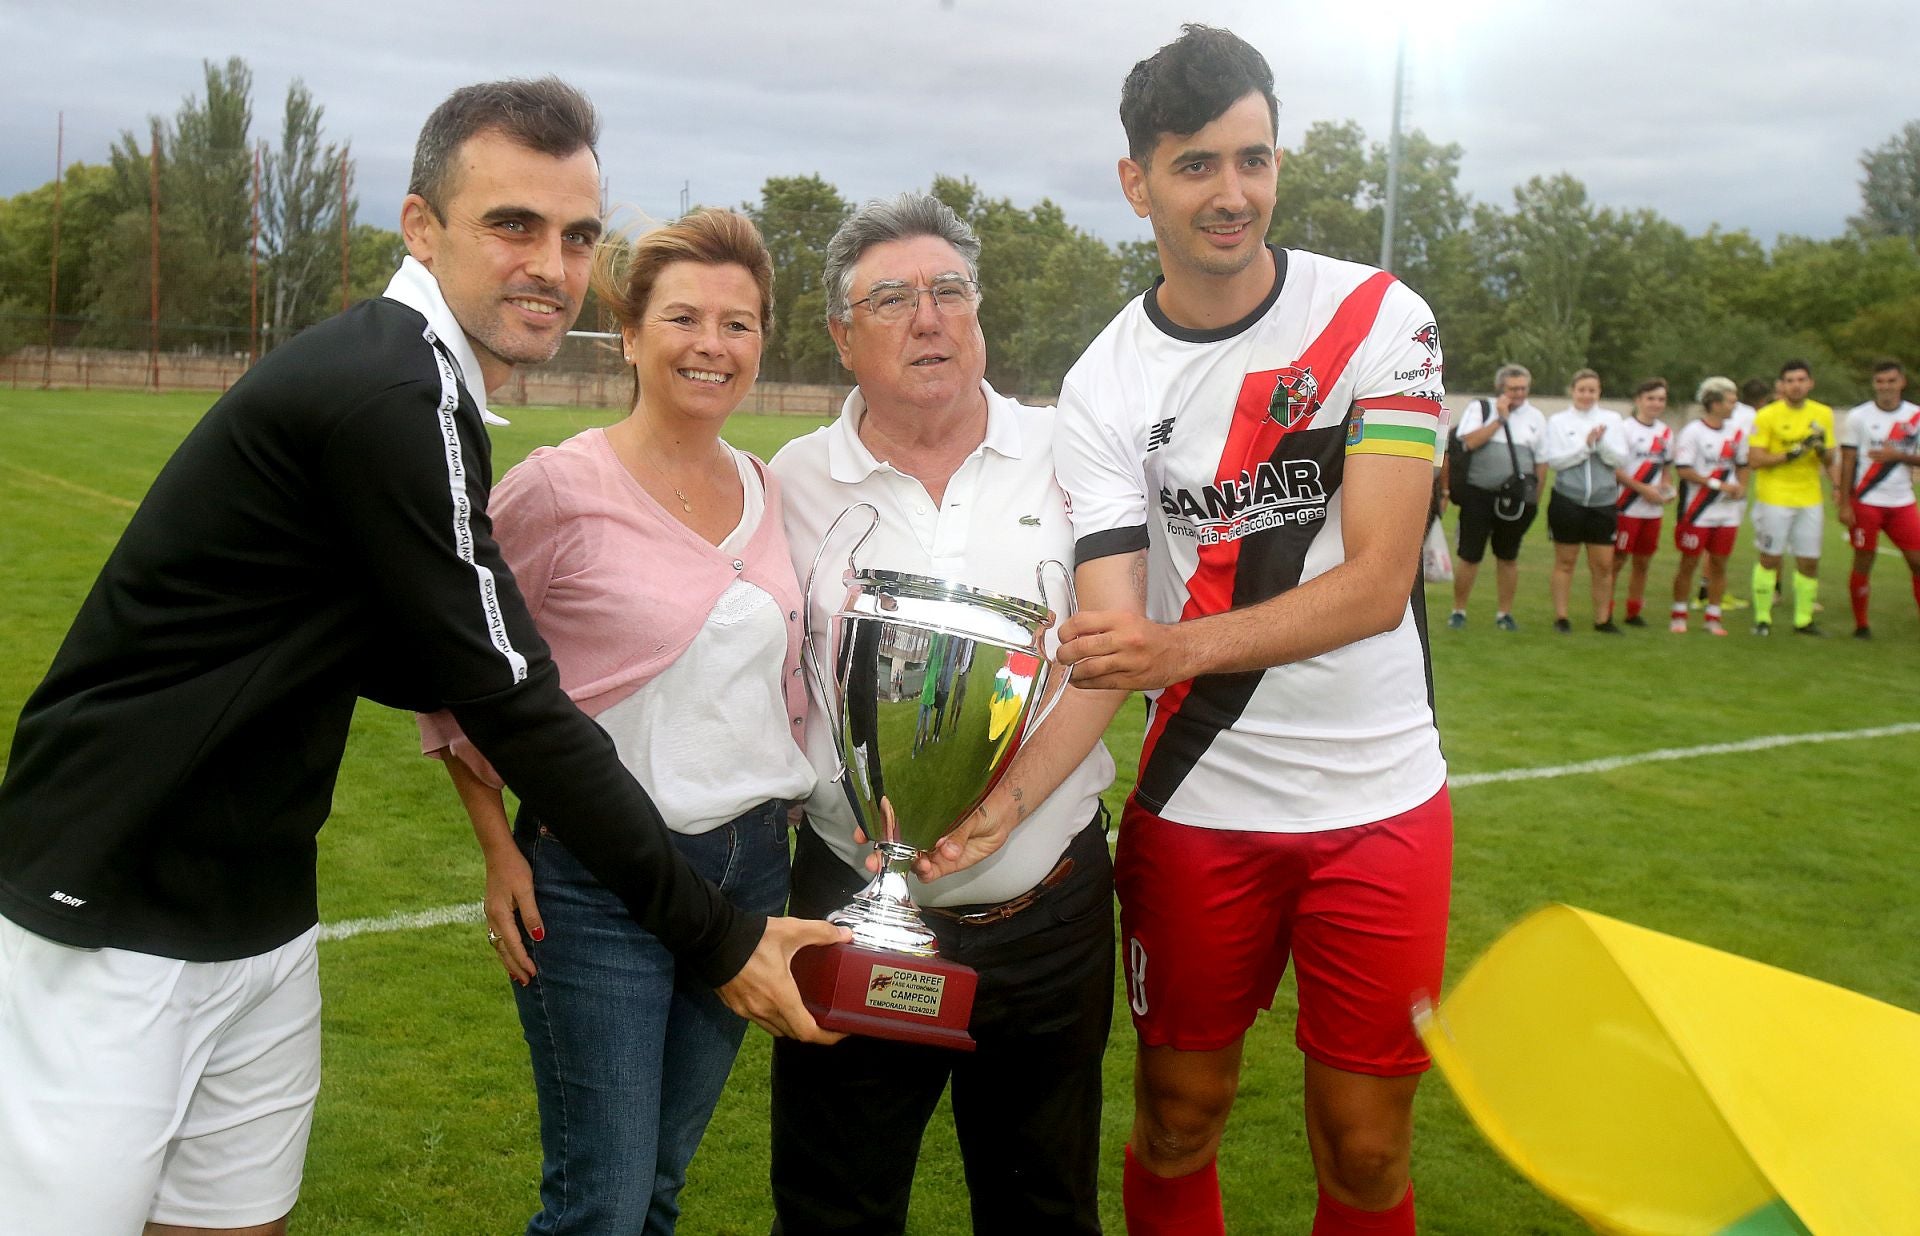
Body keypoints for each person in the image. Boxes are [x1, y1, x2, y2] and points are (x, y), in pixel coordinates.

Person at [0, 80, 841, 1236]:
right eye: (513, 225)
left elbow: (425, 652)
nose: (551, 263)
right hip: (108, 895)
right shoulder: (387, 389)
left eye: (577, 234)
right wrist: (716, 934)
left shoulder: (430, 391)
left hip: (256, 902)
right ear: (421, 229)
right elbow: (508, 698)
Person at [1054, 26, 1452, 1236]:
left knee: (1369, 1147)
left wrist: (1169, 652)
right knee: (1177, 1118)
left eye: (1254, 158)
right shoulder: (1104, 386)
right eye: (1195, 165)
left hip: (1381, 798)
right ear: (1138, 183)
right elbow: (1112, 620)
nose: (1233, 193)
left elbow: (1379, 582)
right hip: (1199, 808)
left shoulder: (1383, 315)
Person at [416, 208, 815, 1234]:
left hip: (748, 876)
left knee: (662, 1187)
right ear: (630, 334)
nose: (713, 346)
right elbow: (457, 669)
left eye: (739, 323)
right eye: (685, 317)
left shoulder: (769, 494)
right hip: (596, 890)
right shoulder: (556, 487)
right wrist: (500, 848)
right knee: (601, 1201)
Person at [767, 194, 1119, 1236]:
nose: (929, 318)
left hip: (1045, 912)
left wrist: (1007, 806)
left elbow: (1109, 659)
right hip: (850, 900)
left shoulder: (1073, 454)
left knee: (1044, 1207)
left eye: (948, 291)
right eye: (891, 299)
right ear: (841, 336)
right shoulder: (792, 481)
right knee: (836, 1207)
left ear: (978, 311)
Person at [1443, 364, 1547, 630]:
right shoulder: (1481, 408)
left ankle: (1504, 613)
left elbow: (1541, 462)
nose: (1519, 394)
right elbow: (1468, 442)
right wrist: (1499, 419)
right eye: (1513, 388)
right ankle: (1459, 611)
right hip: (1478, 494)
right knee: (1469, 555)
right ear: (1500, 387)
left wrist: (1534, 498)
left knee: (1508, 556)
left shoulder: (1535, 417)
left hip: (1515, 500)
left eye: (1523, 388)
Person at [1747, 359, 1836, 635]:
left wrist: (1820, 448)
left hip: (1809, 498)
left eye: (1800, 380)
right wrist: (1791, 454)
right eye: (1789, 381)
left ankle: (1803, 620)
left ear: (1810, 383)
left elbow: (1831, 457)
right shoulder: (1766, 416)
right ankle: (1762, 617)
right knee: (1770, 557)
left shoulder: (1823, 413)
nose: (1795, 386)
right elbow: (1755, 459)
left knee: (1809, 560)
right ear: (1781, 385)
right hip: (1775, 497)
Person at [1837, 358, 1920, 638]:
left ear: (1902, 383)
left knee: (1917, 560)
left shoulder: (1915, 416)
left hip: (1902, 502)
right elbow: (1848, 461)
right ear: (1874, 384)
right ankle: (1861, 624)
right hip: (1866, 502)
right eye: (1880, 382)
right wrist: (1845, 502)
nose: (1885, 387)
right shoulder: (1859, 417)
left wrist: (1900, 456)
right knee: (1864, 559)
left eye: (1891, 381)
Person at [1541, 368, 1628, 633]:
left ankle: (1603, 619)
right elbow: (1555, 460)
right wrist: (1586, 446)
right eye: (1582, 390)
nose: (1587, 395)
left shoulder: (1612, 420)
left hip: (1602, 502)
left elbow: (1621, 459)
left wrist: (1599, 445)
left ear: (1599, 392)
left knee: (1603, 565)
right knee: (1565, 561)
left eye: (1592, 390)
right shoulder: (1558, 421)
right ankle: (1561, 617)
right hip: (1568, 499)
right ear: (1573, 391)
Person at [1667, 377, 1751, 636]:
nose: (1734, 403)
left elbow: (1743, 463)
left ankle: (1713, 617)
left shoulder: (1737, 431)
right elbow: (1684, 470)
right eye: (1729, 399)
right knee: (1689, 563)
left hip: (1727, 512)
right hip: (1698, 510)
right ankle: (1679, 614)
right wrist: (1718, 486)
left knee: (1719, 564)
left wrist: (1742, 486)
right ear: (1714, 403)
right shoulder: (1693, 432)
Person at [1610, 378, 1678, 627]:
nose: (1656, 403)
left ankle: (1633, 611)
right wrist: (1642, 490)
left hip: (1652, 511)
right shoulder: (1624, 429)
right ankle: (1605, 609)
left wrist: (1667, 489)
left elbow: (1666, 468)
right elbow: (1614, 469)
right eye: (1651, 398)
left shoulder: (1666, 433)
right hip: (1626, 506)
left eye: (1661, 399)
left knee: (1643, 562)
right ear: (1638, 400)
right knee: (1617, 561)